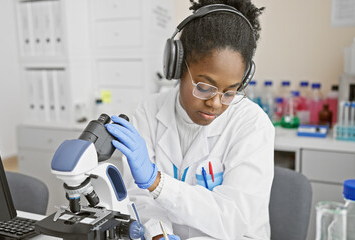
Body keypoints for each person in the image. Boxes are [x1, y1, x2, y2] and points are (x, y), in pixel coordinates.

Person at [106, 0, 273, 239]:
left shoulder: (252, 124)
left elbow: (235, 220)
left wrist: (157, 182)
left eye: (230, 92)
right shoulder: (148, 111)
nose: (215, 103)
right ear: (177, 67)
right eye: (204, 87)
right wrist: (158, 233)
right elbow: (139, 197)